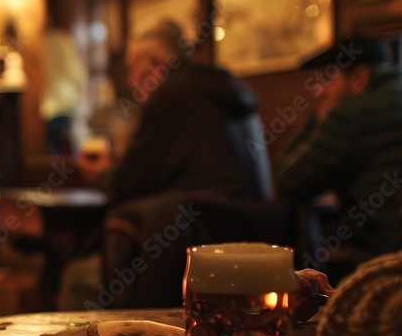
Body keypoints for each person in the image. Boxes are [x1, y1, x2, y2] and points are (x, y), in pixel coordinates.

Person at [62, 19, 274, 309]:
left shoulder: (172, 94)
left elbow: (129, 183)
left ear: (156, 64)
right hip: (251, 241)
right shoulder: (226, 90)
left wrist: (99, 175)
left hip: (191, 251)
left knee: (76, 277)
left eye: (133, 65)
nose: (129, 81)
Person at [274, 37, 402, 279]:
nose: (317, 89)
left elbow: (287, 181)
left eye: (327, 77)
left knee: (307, 278)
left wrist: (317, 119)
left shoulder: (354, 112)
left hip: (387, 262)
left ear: (359, 77)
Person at [40, 28, 86, 156]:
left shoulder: (42, 43)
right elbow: (78, 75)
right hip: (65, 105)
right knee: (66, 154)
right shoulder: (65, 41)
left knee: (55, 154)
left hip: (48, 107)